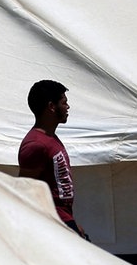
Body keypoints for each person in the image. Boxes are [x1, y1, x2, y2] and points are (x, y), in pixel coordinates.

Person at [18, 80, 90, 241]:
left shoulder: (50, 138)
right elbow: (25, 191)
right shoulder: (35, 145)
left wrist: (71, 222)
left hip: (64, 220)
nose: (68, 107)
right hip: (53, 225)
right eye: (64, 102)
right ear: (51, 106)